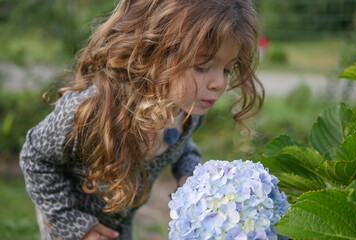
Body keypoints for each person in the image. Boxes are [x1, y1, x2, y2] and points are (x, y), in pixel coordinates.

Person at [19, 0, 264, 239]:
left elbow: (182, 146)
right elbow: (35, 158)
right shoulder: (90, 109)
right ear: (153, 52)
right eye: (202, 66)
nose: (219, 83)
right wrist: (74, 224)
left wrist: (188, 174)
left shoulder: (186, 109)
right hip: (71, 224)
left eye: (226, 69)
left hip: (121, 223)